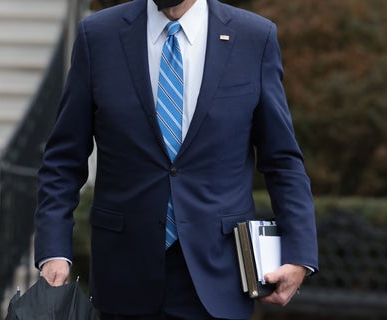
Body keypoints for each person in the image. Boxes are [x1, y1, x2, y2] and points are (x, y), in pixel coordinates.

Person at [34, 0, 319, 318]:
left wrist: (298, 254)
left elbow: (282, 162)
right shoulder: (99, 36)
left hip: (219, 277)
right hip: (123, 277)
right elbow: (63, 159)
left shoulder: (254, 38)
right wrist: (54, 252)